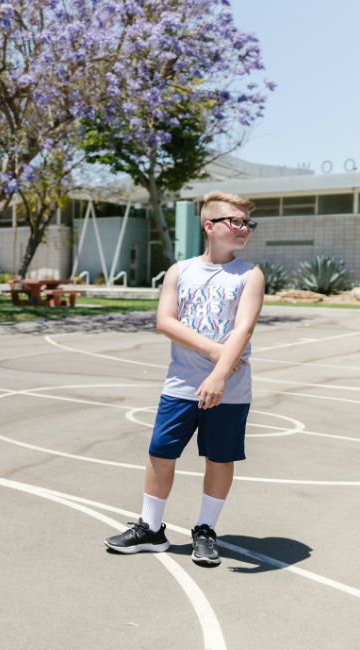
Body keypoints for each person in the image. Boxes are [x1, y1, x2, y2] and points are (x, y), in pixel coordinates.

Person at [104, 191, 265, 566]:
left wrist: (220, 374)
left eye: (248, 224)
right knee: (161, 452)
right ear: (209, 226)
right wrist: (213, 352)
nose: (244, 229)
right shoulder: (181, 270)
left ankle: (205, 530)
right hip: (181, 383)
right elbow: (166, 321)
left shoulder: (250, 274)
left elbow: (244, 329)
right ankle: (151, 528)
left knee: (220, 458)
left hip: (230, 388)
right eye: (235, 221)